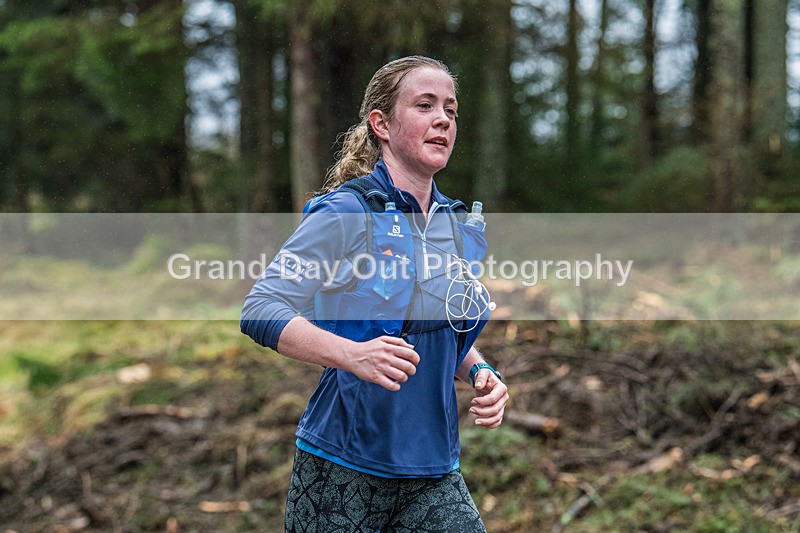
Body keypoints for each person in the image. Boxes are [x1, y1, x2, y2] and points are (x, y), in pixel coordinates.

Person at [241, 55, 509, 532]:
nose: (443, 119)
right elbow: (261, 308)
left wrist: (480, 371)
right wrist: (352, 355)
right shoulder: (346, 212)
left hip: (433, 470)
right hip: (341, 467)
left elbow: (441, 328)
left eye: (450, 109)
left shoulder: (454, 225)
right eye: (425, 105)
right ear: (381, 124)